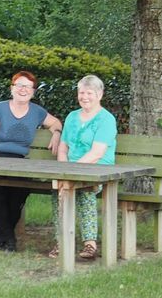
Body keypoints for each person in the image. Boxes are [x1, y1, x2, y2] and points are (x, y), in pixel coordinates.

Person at [0, 71, 63, 252]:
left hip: (19, 162)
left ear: (33, 91)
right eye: (20, 85)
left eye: (28, 86)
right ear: (12, 88)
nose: (23, 89)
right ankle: (9, 240)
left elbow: (56, 123)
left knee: (20, 192)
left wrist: (56, 133)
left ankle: (3, 237)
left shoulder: (37, 111)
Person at [47, 74, 117, 260]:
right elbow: (63, 147)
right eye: (81, 92)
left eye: (90, 93)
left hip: (98, 169)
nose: (84, 97)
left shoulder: (106, 119)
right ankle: (61, 241)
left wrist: (73, 171)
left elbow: (97, 153)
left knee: (85, 190)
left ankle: (90, 244)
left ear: (100, 94)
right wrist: (64, 170)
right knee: (58, 189)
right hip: (71, 168)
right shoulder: (72, 116)